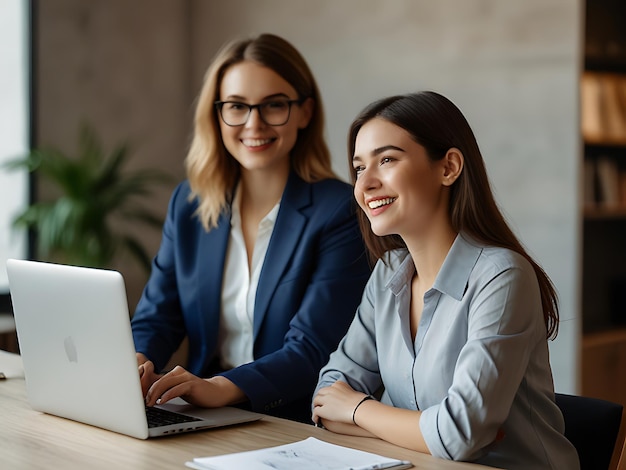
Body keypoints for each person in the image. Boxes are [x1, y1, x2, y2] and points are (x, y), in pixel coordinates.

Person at [312, 92, 580, 469]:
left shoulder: (502, 276)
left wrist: (357, 409)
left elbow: (458, 436)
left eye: (386, 159)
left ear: (449, 167)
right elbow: (325, 400)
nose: (364, 184)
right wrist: (428, 434)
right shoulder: (388, 272)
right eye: (358, 168)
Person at [131, 33, 370, 424]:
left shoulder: (340, 211)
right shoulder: (190, 204)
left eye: (274, 105)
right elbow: (158, 316)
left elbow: (312, 349)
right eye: (237, 106)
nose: (254, 123)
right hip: (198, 414)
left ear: (305, 112)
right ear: (217, 113)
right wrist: (138, 362)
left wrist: (218, 388)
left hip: (288, 421)